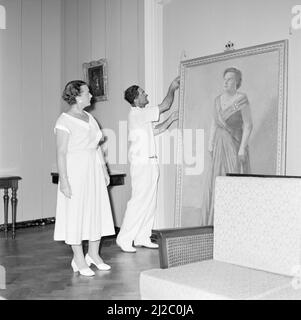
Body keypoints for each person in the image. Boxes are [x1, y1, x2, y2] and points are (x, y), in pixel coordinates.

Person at [54, 80, 115, 276]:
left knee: (95, 211)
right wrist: (64, 180)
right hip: (75, 172)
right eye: (88, 92)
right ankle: (78, 260)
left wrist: (104, 170)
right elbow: (61, 152)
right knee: (76, 213)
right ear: (77, 96)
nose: (91, 96)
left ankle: (94, 255)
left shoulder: (90, 117)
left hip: (94, 171)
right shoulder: (63, 120)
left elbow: (96, 146)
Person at [116, 77, 180, 252]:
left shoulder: (141, 117)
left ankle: (142, 237)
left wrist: (171, 120)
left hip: (150, 161)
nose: (146, 94)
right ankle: (124, 238)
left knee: (150, 201)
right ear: (136, 99)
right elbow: (165, 105)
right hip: (142, 164)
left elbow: (156, 130)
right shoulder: (137, 113)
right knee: (138, 201)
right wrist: (172, 87)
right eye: (143, 93)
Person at [200, 67, 253, 226]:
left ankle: (233, 220)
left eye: (230, 79)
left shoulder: (242, 99)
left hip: (234, 144)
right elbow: (214, 123)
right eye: (225, 78)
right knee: (217, 179)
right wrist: (210, 143)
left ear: (237, 82)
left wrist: (242, 147)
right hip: (219, 144)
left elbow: (249, 125)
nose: (226, 81)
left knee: (232, 179)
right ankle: (215, 220)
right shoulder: (217, 100)